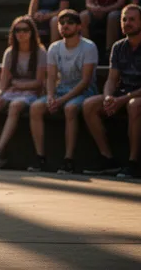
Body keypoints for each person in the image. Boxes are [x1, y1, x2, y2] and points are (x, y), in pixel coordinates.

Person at [83, 5, 141, 179]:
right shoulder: (118, 46)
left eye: (131, 19)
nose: (127, 23)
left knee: (134, 105)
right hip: (123, 93)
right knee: (89, 105)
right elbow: (112, 79)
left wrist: (122, 99)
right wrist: (108, 97)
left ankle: (133, 162)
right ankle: (108, 159)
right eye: (124, 19)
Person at [27, 10, 98, 174]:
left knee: (70, 108)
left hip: (84, 92)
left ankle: (69, 159)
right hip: (61, 90)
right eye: (62, 23)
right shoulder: (54, 47)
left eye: (70, 22)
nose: (65, 25)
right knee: (36, 107)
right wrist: (51, 97)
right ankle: (40, 158)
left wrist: (62, 100)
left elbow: (85, 81)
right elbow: (51, 77)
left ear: (79, 26)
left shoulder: (88, 47)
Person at [0, 16, 46, 169]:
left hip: (31, 93)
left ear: (32, 32)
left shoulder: (40, 52)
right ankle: (0, 151)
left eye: (25, 30)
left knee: (15, 106)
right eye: (17, 30)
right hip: (12, 91)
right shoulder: (10, 52)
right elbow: (4, 80)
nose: (21, 33)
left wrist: (19, 85)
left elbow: (39, 82)